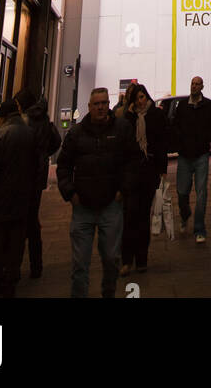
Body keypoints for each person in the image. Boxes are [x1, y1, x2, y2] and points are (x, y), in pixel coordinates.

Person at [56, 87, 133, 298]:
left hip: (111, 205)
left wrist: (122, 191)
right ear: (89, 107)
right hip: (83, 207)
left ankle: (108, 293)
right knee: (80, 264)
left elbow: (131, 163)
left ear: (109, 105)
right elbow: (63, 166)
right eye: (96, 104)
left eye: (104, 103)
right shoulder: (76, 133)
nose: (100, 107)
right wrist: (70, 193)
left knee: (111, 259)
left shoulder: (121, 129)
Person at [0, 98, 38, 299]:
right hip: (22, 201)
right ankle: (9, 285)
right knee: (14, 247)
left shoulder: (0, 135)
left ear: (2, 118)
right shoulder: (30, 133)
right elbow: (36, 166)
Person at [118, 83, 169, 274]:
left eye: (142, 97)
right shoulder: (127, 119)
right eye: (136, 98)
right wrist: (130, 115)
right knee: (129, 215)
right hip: (130, 173)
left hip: (149, 172)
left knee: (143, 217)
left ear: (146, 97)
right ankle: (126, 259)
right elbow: (123, 144)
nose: (140, 101)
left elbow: (162, 143)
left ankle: (141, 259)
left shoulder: (156, 116)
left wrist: (162, 169)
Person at [14, 86, 61, 280]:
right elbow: (56, 141)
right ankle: (36, 266)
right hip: (37, 176)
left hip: (24, 176)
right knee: (32, 221)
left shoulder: (26, 122)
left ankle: (14, 268)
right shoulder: (43, 118)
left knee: (20, 223)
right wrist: (44, 156)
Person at [170, 75, 211, 244]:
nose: (194, 86)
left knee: (201, 192)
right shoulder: (182, 106)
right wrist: (180, 141)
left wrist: (205, 139)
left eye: (197, 84)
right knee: (182, 192)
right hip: (184, 155)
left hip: (201, 155)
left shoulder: (208, 106)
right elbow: (175, 125)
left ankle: (199, 228)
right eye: (192, 83)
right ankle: (185, 214)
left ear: (202, 87)